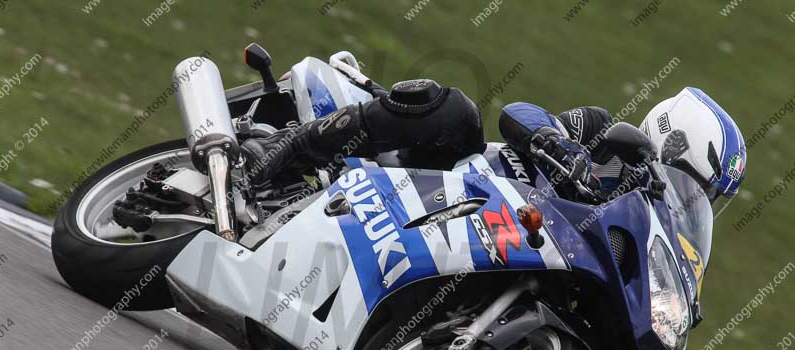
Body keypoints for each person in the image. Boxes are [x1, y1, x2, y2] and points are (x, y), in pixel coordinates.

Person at [241, 80, 746, 206]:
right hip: (458, 180)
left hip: (506, 251)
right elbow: (517, 115)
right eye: (693, 186)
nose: (691, 200)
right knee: (457, 112)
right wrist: (558, 144)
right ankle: (286, 150)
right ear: (668, 142)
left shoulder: (648, 224)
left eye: (705, 200)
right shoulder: (601, 131)